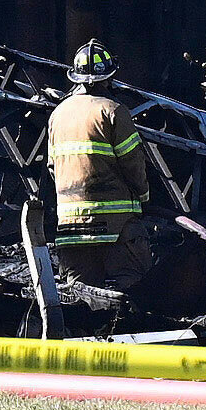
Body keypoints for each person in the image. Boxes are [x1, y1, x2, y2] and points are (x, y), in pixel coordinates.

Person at [42, 41, 146, 260]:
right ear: (108, 78)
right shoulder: (113, 111)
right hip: (115, 227)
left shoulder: (57, 115)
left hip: (70, 228)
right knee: (131, 286)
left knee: (77, 292)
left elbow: (53, 167)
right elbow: (133, 162)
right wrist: (144, 194)